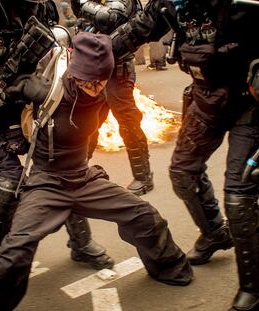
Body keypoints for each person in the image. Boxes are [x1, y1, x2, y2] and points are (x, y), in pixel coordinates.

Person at [0, 31, 194, 311]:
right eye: (88, 81)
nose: (95, 88)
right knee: (17, 248)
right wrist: (13, 132)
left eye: (100, 82)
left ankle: (170, 268)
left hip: (83, 178)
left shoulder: (104, 90)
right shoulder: (43, 88)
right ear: (74, 72)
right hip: (46, 181)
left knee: (145, 216)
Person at [0, 0, 114, 270]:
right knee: (8, 182)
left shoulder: (38, 5)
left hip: (30, 95)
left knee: (63, 167)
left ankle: (81, 242)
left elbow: (56, 45)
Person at [110, 1, 259, 310]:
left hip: (250, 104)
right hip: (206, 100)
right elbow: (134, 32)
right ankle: (214, 233)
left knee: (239, 196)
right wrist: (89, 54)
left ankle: (253, 286)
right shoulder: (171, 5)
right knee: (182, 172)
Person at [73, 0, 155, 196]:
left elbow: (112, 18)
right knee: (88, 121)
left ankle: (143, 176)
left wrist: (82, 4)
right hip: (94, 67)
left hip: (118, 70)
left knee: (127, 121)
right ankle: (77, 171)